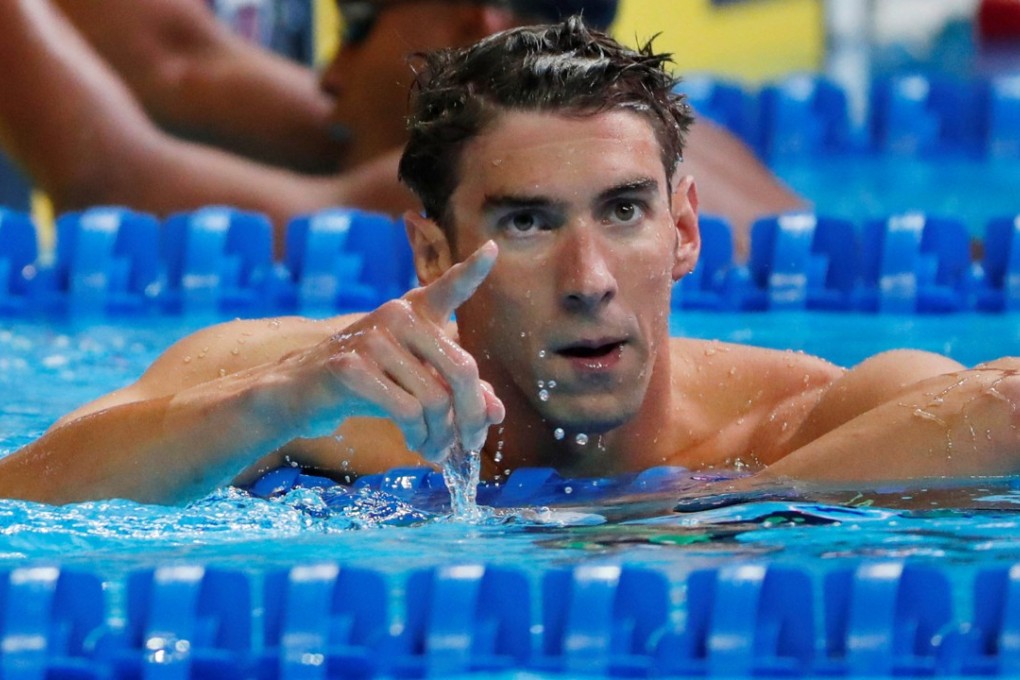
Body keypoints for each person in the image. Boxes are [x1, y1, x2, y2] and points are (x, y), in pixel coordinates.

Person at [4, 17, 1015, 507]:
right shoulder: (318, 392)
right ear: (432, 250)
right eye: (526, 224)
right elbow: (25, 494)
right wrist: (266, 410)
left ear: (686, 230)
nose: (589, 276)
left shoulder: (804, 423)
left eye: (625, 211)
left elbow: (998, 409)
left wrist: (709, 501)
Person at [0, 0, 799, 256]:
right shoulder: (696, 148)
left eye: (355, 23)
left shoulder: (506, 193)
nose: (330, 74)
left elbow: (111, 186)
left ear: (471, 22)